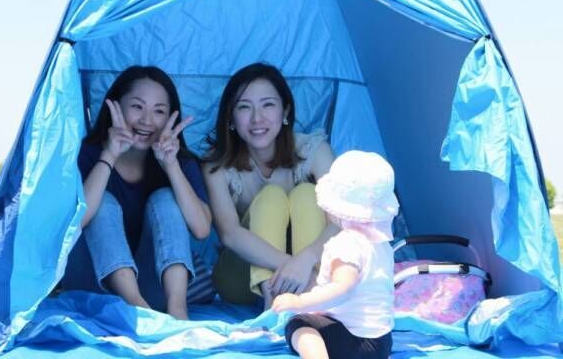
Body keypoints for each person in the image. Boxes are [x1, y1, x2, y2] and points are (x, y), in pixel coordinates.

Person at [62, 65, 212, 320]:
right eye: (137, 107)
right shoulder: (86, 153)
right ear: (116, 107)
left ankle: (178, 311)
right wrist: (110, 155)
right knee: (102, 202)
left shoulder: (181, 162)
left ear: (171, 118)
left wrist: (171, 166)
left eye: (159, 111)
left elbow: (201, 229)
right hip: (93, 284)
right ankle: (137, 309)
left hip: (152, 290)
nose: (147, 120)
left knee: (166, 198)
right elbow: (74, 224)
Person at [202, 62, 338, 308]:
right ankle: (272, 304)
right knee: (271, 196)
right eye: (244, 107)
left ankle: (308, 301)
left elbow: (341, 221)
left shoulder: (314, 150)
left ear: (285, 111)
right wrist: (290, 264)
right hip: (241, 278)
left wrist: (306, 259)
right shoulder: (217, 166)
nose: (257, 118)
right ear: (230, 117)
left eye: (268, 105)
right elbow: (229, 234)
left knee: (307, 193)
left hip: (310, 270)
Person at [272, 151, 397, 359]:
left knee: (298, 325)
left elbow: (342, 288)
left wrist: (300, 302)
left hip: (354, 341)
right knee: (317, 319)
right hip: (382, 343)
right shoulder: (382, 244)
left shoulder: (346, 242)